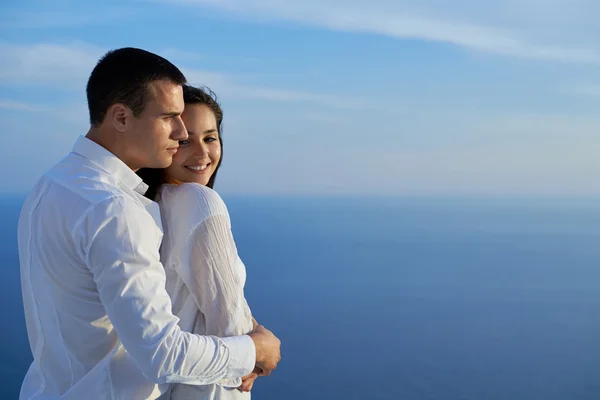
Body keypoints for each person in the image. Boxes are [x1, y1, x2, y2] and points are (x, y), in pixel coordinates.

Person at [17, 47, 280, 400]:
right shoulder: (112, 208)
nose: (180, 131)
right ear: (121, 117)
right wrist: (254, 351)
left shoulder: (50, 185)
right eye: (169, 117)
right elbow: (161, 353)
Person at [137, 86, 269, 399]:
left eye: (210, 138)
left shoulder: (147, 206)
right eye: (184, 141)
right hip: (210, 388)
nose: (201, 153)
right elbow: (230, 323)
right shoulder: (199, 201)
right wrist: (259, 351)